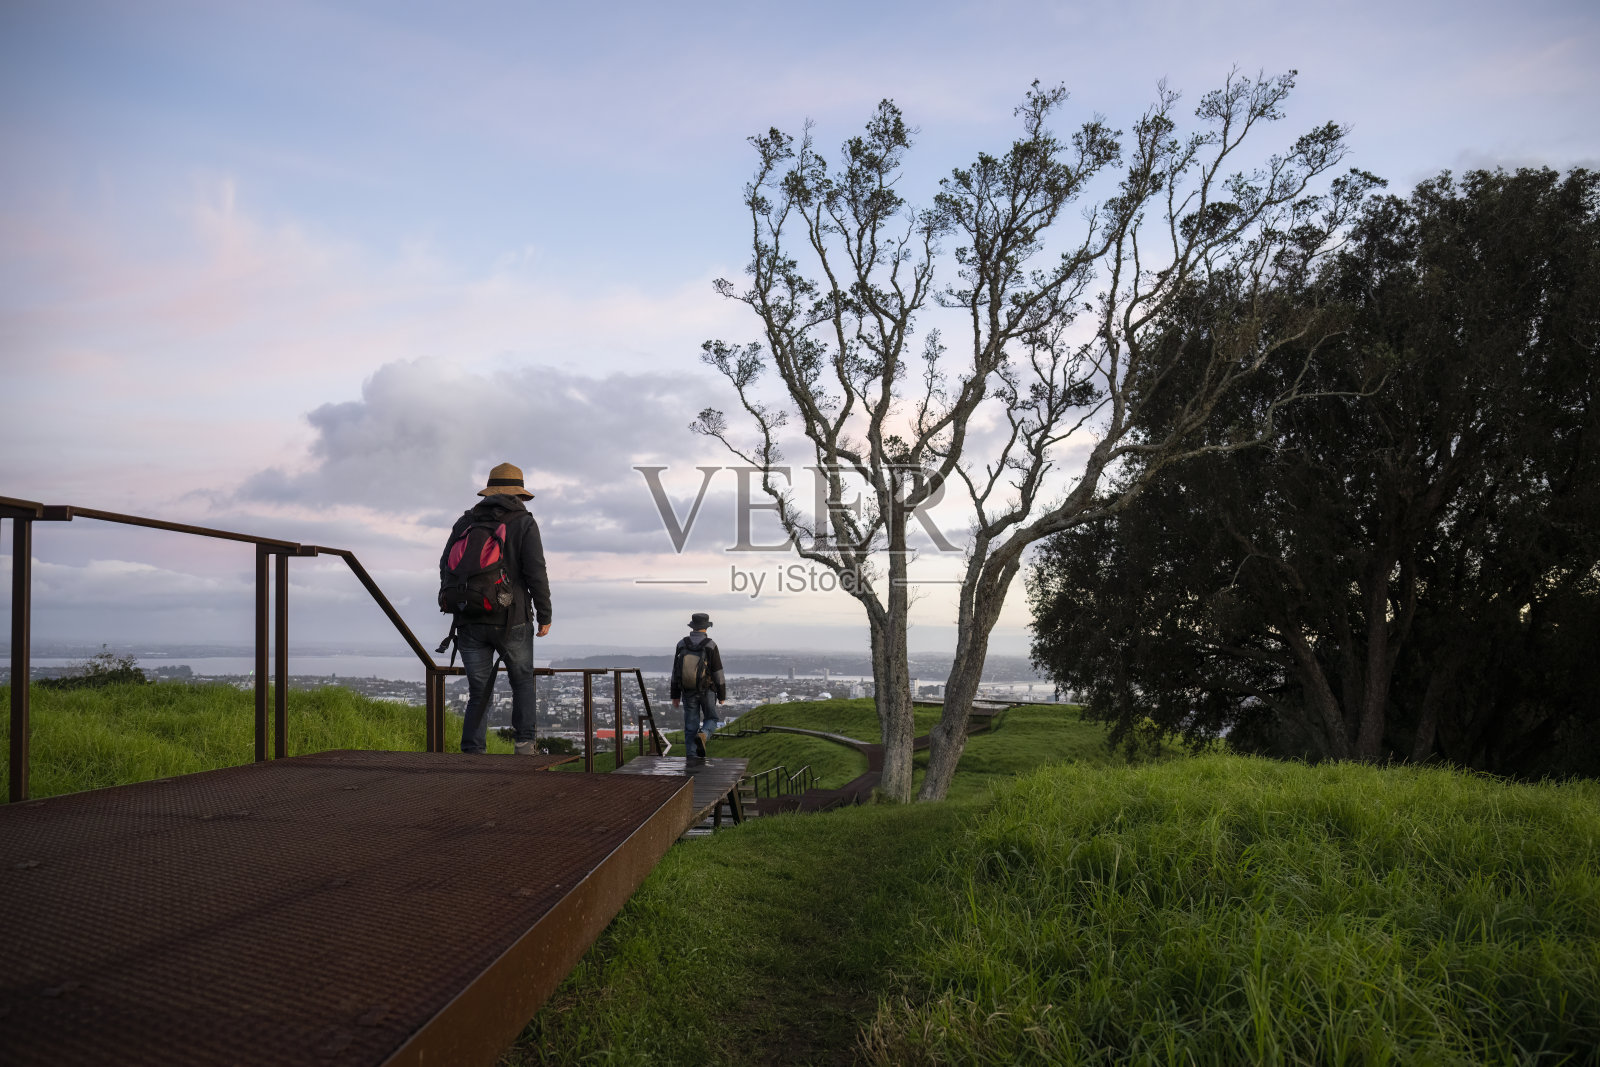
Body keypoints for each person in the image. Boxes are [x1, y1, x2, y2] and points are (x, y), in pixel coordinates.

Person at [439, 462, 551, 755]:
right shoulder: (524, 522)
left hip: (469, 619)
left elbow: (445, 565)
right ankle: (525, 746)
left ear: (488, 492)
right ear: (520, 495)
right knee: (522, 682)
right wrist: (545, 614)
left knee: (480, 691)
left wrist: (460, 600)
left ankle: (472, 752)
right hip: (512, 618)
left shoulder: (465, 522)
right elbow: (536, 572)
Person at [671, 612, 727, 759]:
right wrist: (722, 695)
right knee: (712, 719)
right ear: (706, 628)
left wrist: (675, 695)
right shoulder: (710, 645)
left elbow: (675, 671)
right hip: (707, 690)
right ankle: (703, 734)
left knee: (690, 725)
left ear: (693, 626)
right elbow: (717, 672)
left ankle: (691, 757)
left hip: (687, 690)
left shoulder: (682, 644)